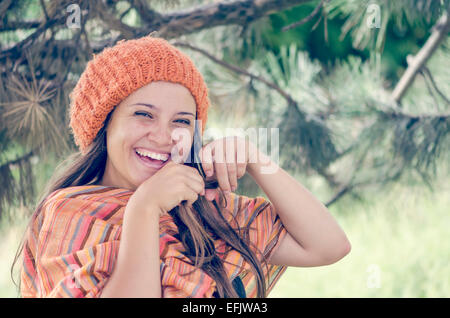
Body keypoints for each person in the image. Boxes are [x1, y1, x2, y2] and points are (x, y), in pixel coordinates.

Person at [14, 35, 351, 298]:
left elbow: (329, 245)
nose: (163, 136)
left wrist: (254, 158)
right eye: (143, 114)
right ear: (104, 124)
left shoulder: (212, 213)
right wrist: (144, 208)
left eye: (182, 121)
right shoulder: (69, 216)